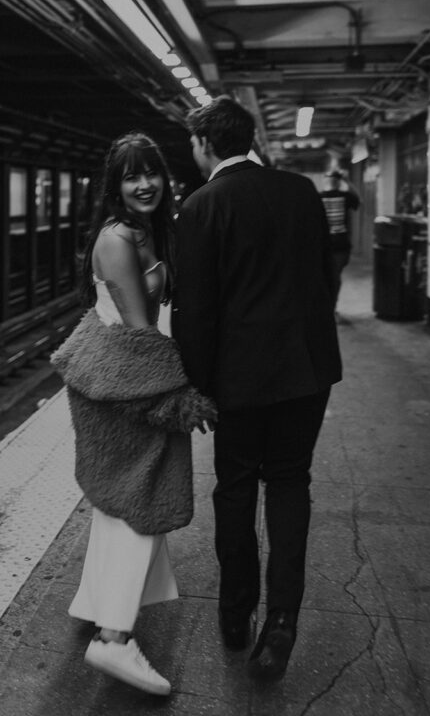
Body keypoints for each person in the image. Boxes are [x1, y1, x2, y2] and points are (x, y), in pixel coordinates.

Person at [172, 97, 342, 681]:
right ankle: (283, 622)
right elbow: (328, 271)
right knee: (292, 483)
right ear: (247, 138)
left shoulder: (200, 207)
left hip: (239, 381)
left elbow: (194, 313)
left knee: (237, 487)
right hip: (307, 372)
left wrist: (198, 385)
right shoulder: (300, 191)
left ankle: (234, 614)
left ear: (204, 144)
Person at [51, 132, 216, 696]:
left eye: (151, 172)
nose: (144, 183)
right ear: (114, 186)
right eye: (130, 175)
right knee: (142, 499)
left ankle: (96, 604)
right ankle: (115, 640)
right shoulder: (119, 240)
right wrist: (176, 400)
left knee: (123, 498)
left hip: (130, 382)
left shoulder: (148, 232)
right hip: (126, 386)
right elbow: (141, 336)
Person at [318, 170, 361, 311]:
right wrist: (348, 181)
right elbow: (358, 200)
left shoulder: (318, 197)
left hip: (325, 245)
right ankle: (331, 305)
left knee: (328, 277)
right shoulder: (345, 196)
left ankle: (329, 306)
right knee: (334, 276)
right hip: (339, 245)